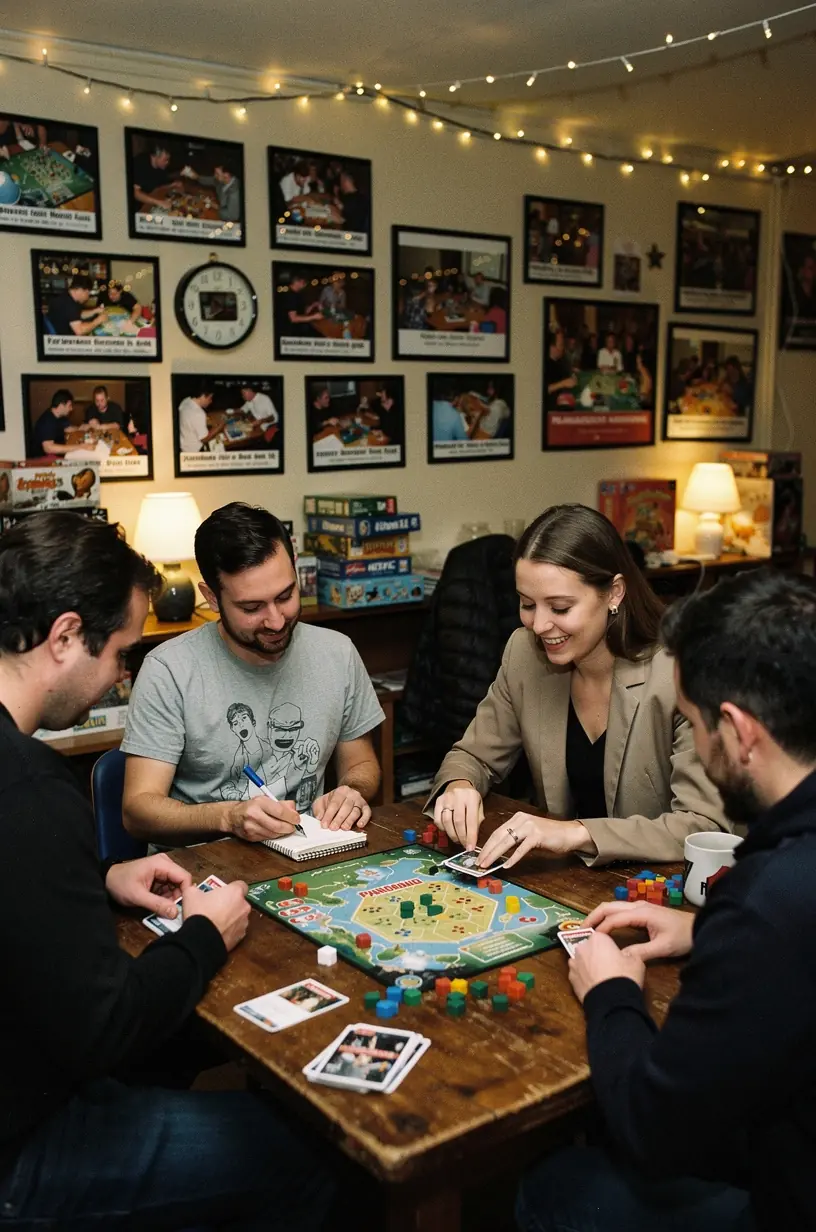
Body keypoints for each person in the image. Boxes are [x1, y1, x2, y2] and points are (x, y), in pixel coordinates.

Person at [0, 512, 334, 1230]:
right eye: (121, 651)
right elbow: (108, 1029)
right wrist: (207, 934)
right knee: (313, 1148)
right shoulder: (29, 790)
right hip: (22, 1151)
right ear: (64, 637)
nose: (122, 673)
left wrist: (96, 878)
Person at [517, 568, 816, 1232]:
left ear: (738, 731)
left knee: (555, 1191)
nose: (699, 750)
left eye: (693, 725)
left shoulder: (768, 901)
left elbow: (654, 1131)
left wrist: (611, 992)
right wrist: (700, 928)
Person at [429, 504, 728, 865]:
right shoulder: (524, 654)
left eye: (559, 607)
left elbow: (703, 827)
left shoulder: (680, 671)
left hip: (661, 891)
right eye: (527, 604)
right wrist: (459, 785)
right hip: (566, 884)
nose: (538, 625)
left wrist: (575, 833)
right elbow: (472, 756)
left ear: (614, 593)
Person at [121, 502, 384, 844]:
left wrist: (351, 790)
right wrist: (227, 817)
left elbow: (362, 763)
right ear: (212, 598)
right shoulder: (168, 671)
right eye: (252, 607)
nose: (276, 621)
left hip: (304, 852)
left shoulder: (338, 652)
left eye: (286, 596)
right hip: (201, 867)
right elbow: (137, 810)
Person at [131, 141, 183, 210]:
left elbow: (158, 184)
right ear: (155, 156)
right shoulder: (140, 163)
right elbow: (135, 193)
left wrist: (172, 184)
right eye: (165, 160)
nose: (168, 162)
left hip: (149, 200)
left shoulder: (161, 168)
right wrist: (159, 202)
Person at [33, 388, 84, 457]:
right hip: (45, 460)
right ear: (61, 405)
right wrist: (80, 447)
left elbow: (69, 428)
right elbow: (48, 448)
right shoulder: (47, 421)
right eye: (69, 405)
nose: (71, 409)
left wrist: (84, 427)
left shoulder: (59, 416)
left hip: (57, 455)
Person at [178, 385, 215, 454]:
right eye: (210, 398)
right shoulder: (199, 413)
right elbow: (205, 439)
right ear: (203, 396)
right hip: (194, 450)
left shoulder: (185, 401)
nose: (211, 401)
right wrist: (221, 426)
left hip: (183, 444)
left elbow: (191, 420)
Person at [546, 329, 578, 403]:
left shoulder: (562, 361)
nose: (563, 348)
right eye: (561, 345)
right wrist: (563, 383)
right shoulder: (544, 365)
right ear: (552, 347)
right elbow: (544, 390)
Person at [335, 167, 369, 233]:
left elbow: (346, 221)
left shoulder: (358, 200)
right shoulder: (349, 196)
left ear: (346, 181)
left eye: (341, 181)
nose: (340, 184)